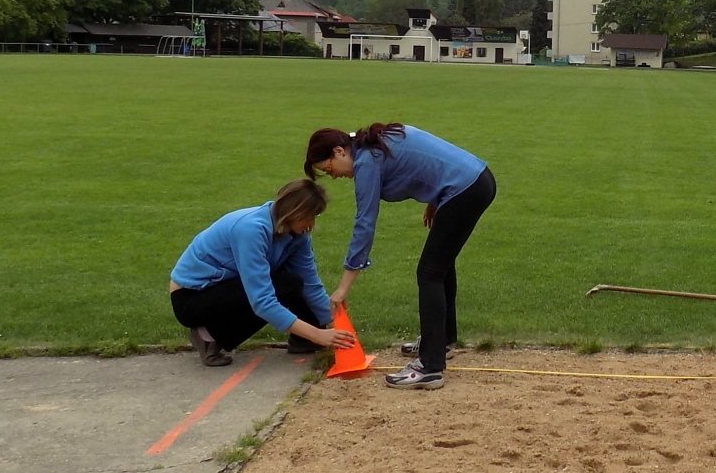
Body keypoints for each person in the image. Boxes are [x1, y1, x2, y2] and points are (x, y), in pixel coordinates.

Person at [305, 122, 497, 391]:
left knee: (429, 274)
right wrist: (435, 199)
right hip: (476, 180)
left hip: (465, 190)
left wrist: (343, 287)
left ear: (339, 151)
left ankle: (430, 367)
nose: (334, 176)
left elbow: (364, 225)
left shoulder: (367, 162)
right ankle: (440, 341)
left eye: (328, 169)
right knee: (439, 267)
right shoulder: (377, 143)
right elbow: (429, 159)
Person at [168, 178, 357, 367]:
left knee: (292, 282)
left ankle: (303, 341)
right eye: (309, 216)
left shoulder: (298, 238)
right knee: (283, 285)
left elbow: (310, 285)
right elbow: (262, 301)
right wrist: (318, 335)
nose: (311, 223)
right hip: (191, 298)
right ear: (294, 212)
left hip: (226, 287)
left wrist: (336, 325)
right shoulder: (251, 229)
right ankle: (207, 336)